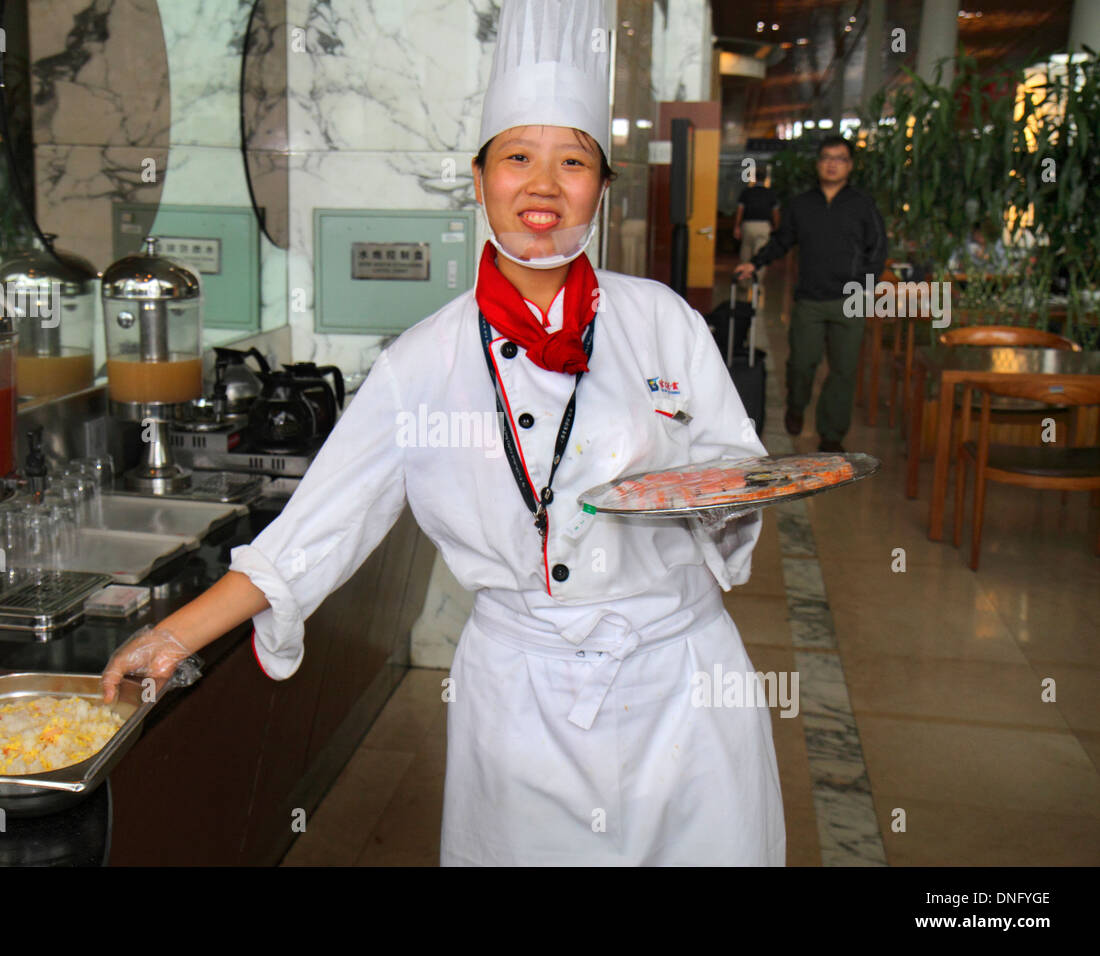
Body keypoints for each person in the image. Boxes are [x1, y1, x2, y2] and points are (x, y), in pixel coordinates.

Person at [101, 0, 785, 866]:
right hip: (521, 698)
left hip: (683, 681)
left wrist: (717, 500)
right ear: (478, 177)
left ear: (601, 187)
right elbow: (313, 531)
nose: (543, 186)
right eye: (518, 158)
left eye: (572, 161)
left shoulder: (664, 324)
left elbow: (735, 468)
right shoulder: (421, 363)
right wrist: (171, 637)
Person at [734, 136, 887, 452]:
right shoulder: (801, 205)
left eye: (840, 158)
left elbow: (878, 248)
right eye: (827, 157)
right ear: (818, 164)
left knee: (843, 372)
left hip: (849, 301)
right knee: (802, 365)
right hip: (810, 301)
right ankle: (796, 405)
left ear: (850, 165)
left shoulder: (862, 205)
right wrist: (754, 263)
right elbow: (781, 241)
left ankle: (832, 435)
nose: (833, 163)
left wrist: (865, 285)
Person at [732, 165, 779, 288]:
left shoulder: (746, 192)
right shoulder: (771, 193)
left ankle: (742, 283)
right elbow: (775, 213)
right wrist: (776, 227)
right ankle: (756, 283)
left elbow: (740, 211)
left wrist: (737, 226)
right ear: (765, 178)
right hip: (764, 226)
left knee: (745, 253)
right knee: (760, 255)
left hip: (748, 225)